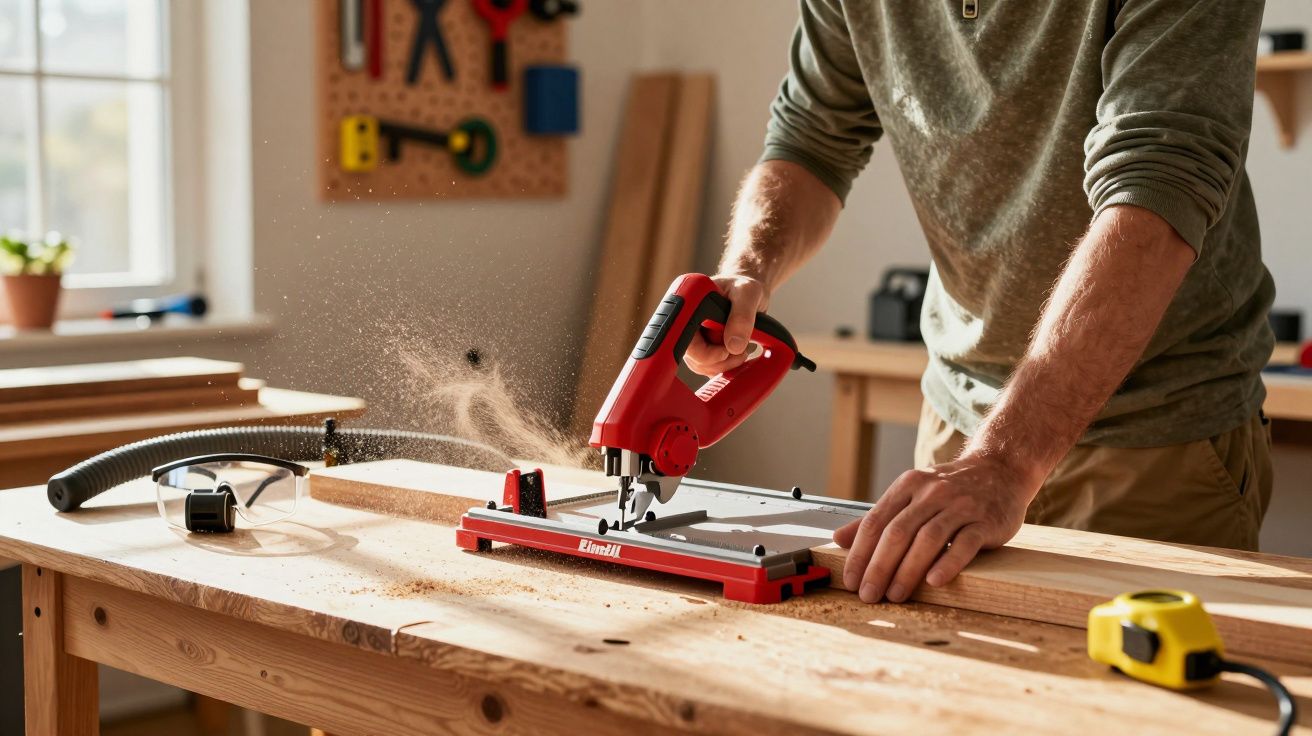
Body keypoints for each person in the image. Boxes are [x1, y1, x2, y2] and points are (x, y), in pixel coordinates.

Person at [684, 0, 1275, 604]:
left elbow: (1158, 182)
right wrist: (746, 270)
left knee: (1137, 690)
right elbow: (811, 139)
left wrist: (1007, 461)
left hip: (1153, 433)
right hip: (961, 421)